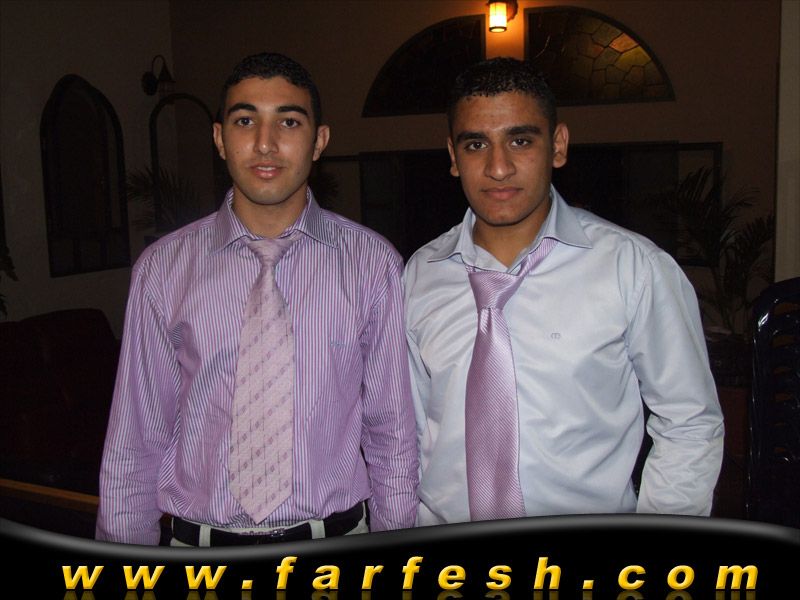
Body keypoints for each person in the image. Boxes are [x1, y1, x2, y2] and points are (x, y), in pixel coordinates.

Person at [96, 52, 418, 545]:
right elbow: (136, 438)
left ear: (319, 141)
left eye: (289, 121)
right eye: (245, 121)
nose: (265, 143)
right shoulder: (163, 270)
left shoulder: (372, 265)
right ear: (219, 138)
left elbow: (391, 432)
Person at [404, 57, 724, 525]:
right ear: (453, 157)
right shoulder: (420, 275)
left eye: (520, 140)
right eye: (476, 144)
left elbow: (689, 422)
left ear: (558, 145)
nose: (498, 167)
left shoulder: (632, 268)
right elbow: (406, 431)